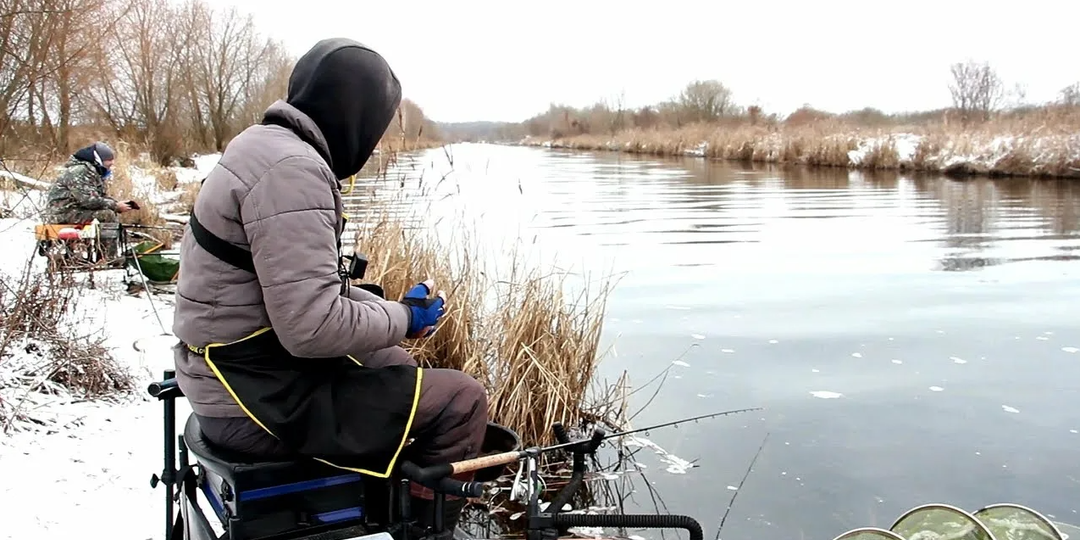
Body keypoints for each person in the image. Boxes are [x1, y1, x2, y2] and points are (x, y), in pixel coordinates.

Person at [170, 37, 489, 537]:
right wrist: (407, 318)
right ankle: (426, 530)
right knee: (462, 399)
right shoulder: (294, 171)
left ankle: (384, 501)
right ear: (354, 115)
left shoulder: (261, 145)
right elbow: (312, 328)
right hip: (248, 399)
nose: (375, 142)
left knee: (395, 363)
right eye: (377, 127)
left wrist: (386, 307)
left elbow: (296, 290)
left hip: (231, 370)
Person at [42, 141, 134, 225]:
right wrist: (115, 206)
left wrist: (116, 203)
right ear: (99, 160)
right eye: (109, 163)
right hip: (62, 214)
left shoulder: (92, 172)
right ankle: (106, 243)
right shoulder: (79, 171)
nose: (110, 166)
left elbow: (98, 196)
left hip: (74, 210)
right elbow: (88, 201)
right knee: (107, 215)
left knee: (107, 213)